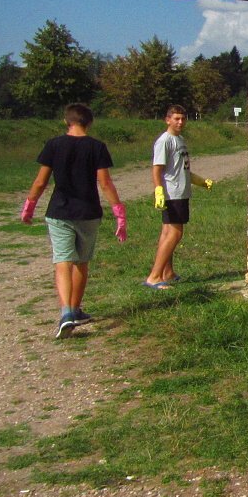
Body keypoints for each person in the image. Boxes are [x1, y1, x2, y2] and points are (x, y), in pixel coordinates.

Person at [21, 103, 127, 338]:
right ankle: (75, 309)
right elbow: (105, 183)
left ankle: (67, 312)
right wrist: (119, 212)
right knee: (81, 262)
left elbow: (40, 182)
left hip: (59, 212)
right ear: (90, 123)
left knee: (63, 261)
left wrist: (29, 207)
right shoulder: (97, 147)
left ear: (66, 121)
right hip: (88, 213)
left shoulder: (53, 145)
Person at [144, 105, 213, 289]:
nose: (180, 122)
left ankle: (167, 272)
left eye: (183, 118)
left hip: (181, 191)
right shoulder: (164, 141)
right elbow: (157, 169)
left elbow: (183, 169)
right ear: (168, 120)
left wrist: (200, 181)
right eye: (176, 118)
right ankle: (154, 276)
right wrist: (159, 190)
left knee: (167, 232)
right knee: (175, 233)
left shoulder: (180, 140)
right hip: (172, 193)